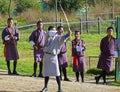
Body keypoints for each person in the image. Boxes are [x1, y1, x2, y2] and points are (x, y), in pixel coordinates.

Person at [40, 26, 71, 92]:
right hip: (46, 56)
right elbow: (49, 33)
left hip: (54, 56)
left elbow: (63, 37)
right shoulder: (47, 35)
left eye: (55, 31)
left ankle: (59, 88)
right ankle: (45, 87)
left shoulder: (58, 37)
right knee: (46, 73)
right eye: (53, 31)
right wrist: (57, 31)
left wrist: (68, 34)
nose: (55, 32)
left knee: (57, 73)